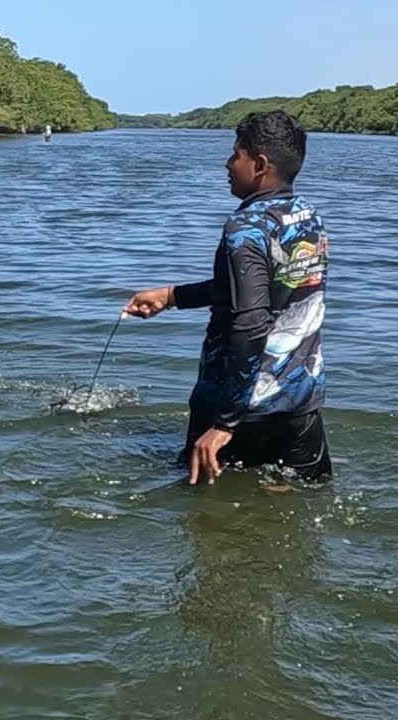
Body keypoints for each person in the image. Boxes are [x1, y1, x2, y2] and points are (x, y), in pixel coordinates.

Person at [124, 110, 331, 486]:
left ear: (260, 164)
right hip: (301, 405)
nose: (228, 163)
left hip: (241, 409)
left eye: (236, 155)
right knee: (296, 525)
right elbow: (257, 291)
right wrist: (172, 297)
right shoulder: (307, 217)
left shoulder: (245, 228)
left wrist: (225, 423)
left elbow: (250, 321)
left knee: (206, 522)